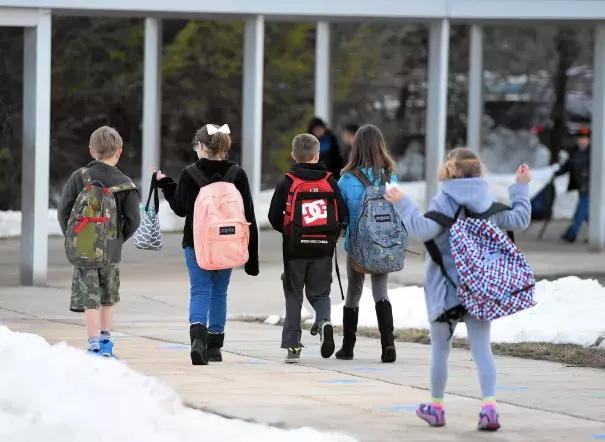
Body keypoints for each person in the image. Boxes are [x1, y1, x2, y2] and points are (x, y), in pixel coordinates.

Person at [384, 147, 532, 431]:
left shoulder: (443, 203)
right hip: (478, 289)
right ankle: (489, 408)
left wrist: (403, 202)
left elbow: (422, 229)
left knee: (440, 349)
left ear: (448, 171)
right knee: (482, 350)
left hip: (445, 291)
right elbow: (520, 219)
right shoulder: (488, 206)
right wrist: (521, 188)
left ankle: (436, 408)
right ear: (479, 173)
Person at [155, 124, 259, 365]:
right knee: (219, 293)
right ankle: (215, 347)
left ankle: (197, 341)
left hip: (197, 243)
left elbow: (180, 209)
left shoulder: (189, 173)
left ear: (201, 146)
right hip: (229, 244)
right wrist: (252, 259)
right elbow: (249, 216)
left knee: (200, 290)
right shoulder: (237, 174)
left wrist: (166, 184)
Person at [58, 126, 140, 358]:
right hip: (111, 251)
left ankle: (92, 345)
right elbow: (134, 220)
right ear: (119, 152)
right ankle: (106, 342)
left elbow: (63, 211)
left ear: (92, 152)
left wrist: (77, 238)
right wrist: (117, 240)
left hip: (84, 249)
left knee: (89, 298)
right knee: (108, 296)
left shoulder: (79, 177)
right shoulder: (125, 183)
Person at [268, 134, 348, 363]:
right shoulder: (330, 181)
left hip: (295, 250)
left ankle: (293, 347)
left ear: (293, 155)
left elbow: (274, 217)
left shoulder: (287, 181)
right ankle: (324, 321)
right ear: (317, 155)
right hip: (323, 248)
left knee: (294, 295)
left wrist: (289, 232)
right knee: (321, 293)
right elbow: (342, 214)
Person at [336, 124, 399, 363]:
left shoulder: (346, 178)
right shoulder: (389, 174)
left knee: (354, 292)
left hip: (357, 243)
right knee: (381, 292)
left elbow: (341, 214)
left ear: (356, 148)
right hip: (384, 243)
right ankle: (388, 344)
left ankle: (348, 347)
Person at [556, 127, 591, 243]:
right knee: (587, 213)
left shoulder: (594, 153)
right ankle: (596, 233)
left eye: (585, 139)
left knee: (581, 210)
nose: (582, 141)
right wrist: (555, 173)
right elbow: (566, 167)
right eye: (580, 139)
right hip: (581, 187)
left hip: (592, 188)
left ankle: (572, 233)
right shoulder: (574, 152)